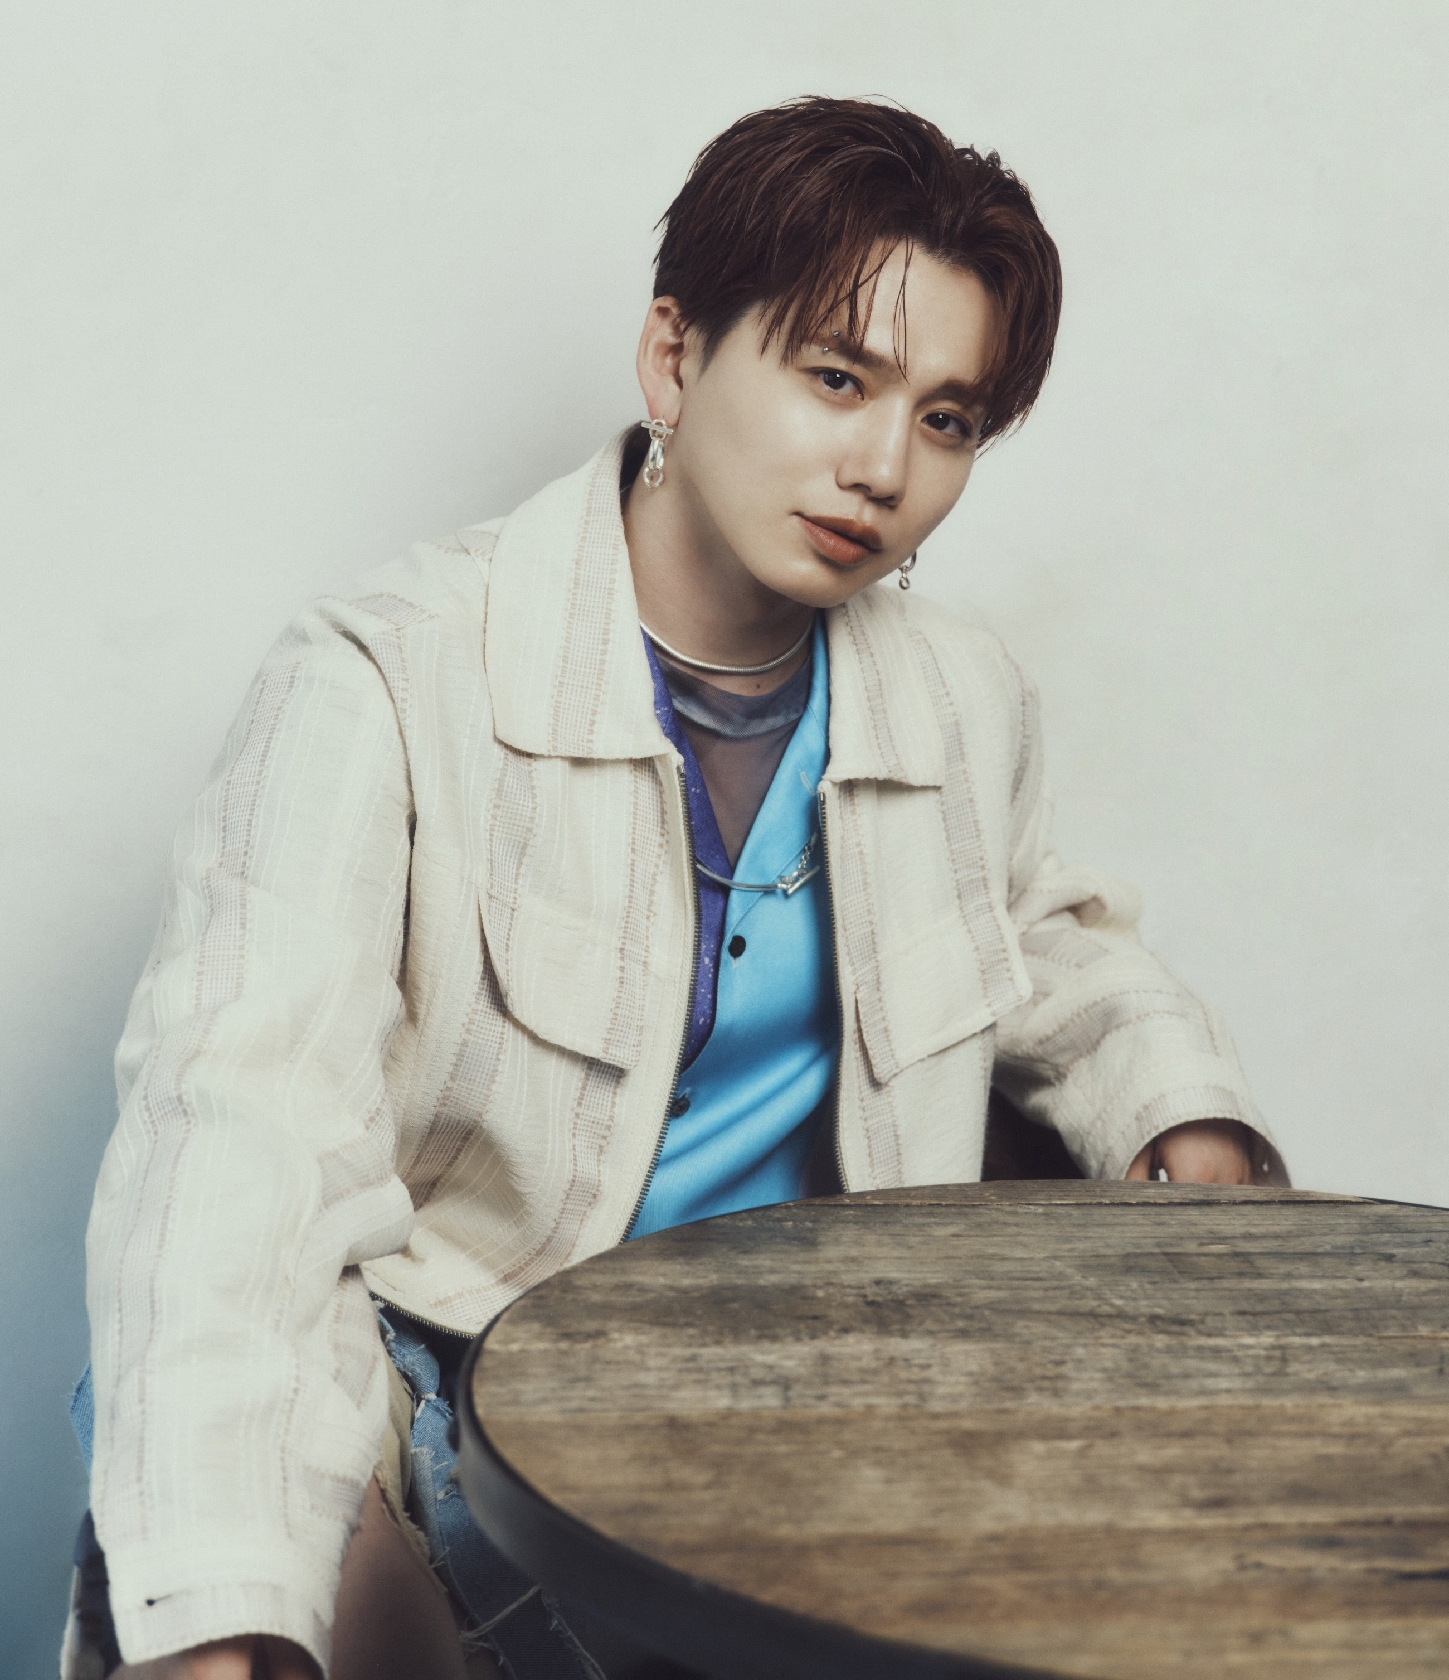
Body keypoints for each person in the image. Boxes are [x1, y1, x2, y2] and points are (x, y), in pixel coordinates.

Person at [66, 96, 1286, 1680]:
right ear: (672, 357)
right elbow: (235, 1137)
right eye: (834, 378)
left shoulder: (958, 693)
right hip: (447, 1399)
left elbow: (1035, 931)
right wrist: (223, 1599)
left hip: (790, 1419)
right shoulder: (381, 682)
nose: (881, 467)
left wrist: (1176, 1104)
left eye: (946, 420)